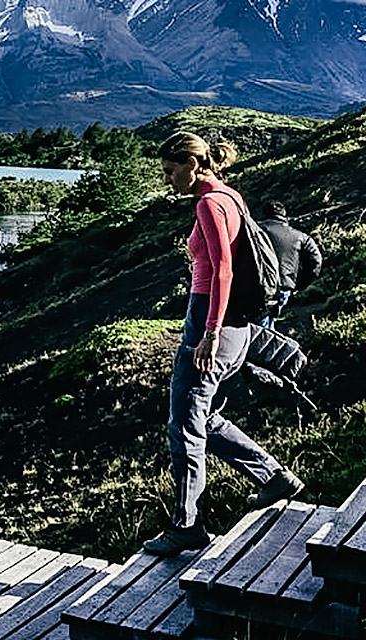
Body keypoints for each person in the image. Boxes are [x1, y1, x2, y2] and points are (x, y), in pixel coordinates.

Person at [143, 132, 305, 557]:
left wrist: (209, 333)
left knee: (184, 425)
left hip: (214, 323)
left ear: (193, 164)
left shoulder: (209, 202)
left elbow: (224, 271)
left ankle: (187, 526)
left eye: (170, 170)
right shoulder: (231, 195)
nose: (168, 179)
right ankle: (273, 478)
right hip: (239, 326)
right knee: (208, 418)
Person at [256, 200, 322, 329]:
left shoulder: (255, 231)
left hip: (255, 286)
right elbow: (315, 261)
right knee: (268, 323)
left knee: (257, 328)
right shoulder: (300, 236)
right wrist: (298, 284)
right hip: (283, 287)